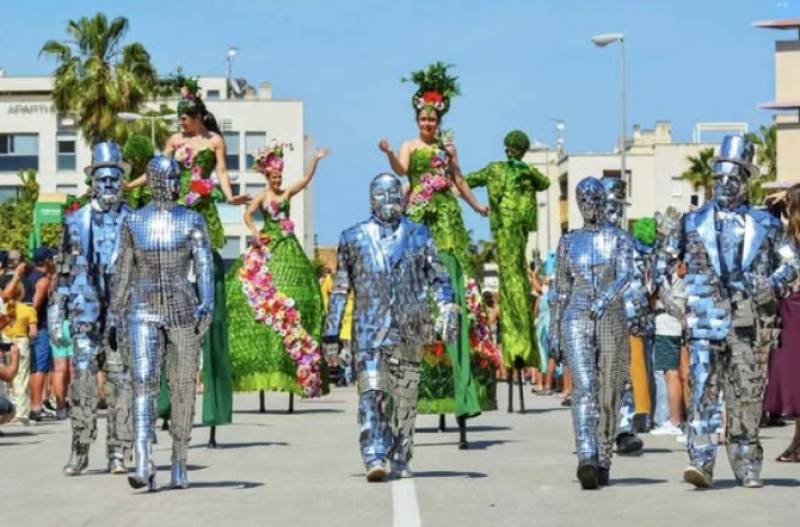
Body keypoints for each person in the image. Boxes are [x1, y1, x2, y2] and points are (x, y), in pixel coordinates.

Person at [656, 135, 800, 489]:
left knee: (748, 395)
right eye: (719, 179)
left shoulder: (765, 223)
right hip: (705, 320)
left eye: (731, 179)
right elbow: (661, 262)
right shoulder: (691, 223)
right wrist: (674, 301)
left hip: (750, 322)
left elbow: (792, 260)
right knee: (703, 389)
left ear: (745, 181)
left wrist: (772, 284)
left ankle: (747, 461)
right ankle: (701, 461)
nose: (723, 185)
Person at [379, 62, 497, 448]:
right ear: (416, 120)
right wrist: (387, 155)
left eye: (432, 118)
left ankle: (461, 395)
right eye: (423, 119)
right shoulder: (411, 147)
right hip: (418, 217)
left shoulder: (446, 147)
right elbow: (400, 171)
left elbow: (458, 179)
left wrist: (477, 206)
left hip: (447, 221)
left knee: (453, 291)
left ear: (439, 119)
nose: (428, 123)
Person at [323, 173, 458, 481]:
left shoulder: (419, 234)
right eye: (381, 195)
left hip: (410, 328)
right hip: (368, 331)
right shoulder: (352, 237)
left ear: (402, 197)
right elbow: (341, 288)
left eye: (394, 194)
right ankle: (374, 453)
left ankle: (401, 452)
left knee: (406, 400)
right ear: (371, 199)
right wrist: (331, 333)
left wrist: (448, 306)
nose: (388, 201)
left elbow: (439, 277)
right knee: (372, 392)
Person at [109, 155, 214, 491]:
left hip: (182, 309)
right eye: (167, 179)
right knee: (143, 381)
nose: (173, 184)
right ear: (153, 182)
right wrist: (114, 312)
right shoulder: (133, 222)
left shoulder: (192, 219)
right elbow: (123, 272)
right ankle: (142, 458)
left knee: (183, 388)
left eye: (176, 178)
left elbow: (205, 265)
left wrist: (207, 301)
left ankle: (180, 458)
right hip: (142, 308)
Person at [49, 142, 134, 476]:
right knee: (82, 383)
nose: (109, 185)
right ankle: (80, 449)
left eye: (114, 179)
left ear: (123, 181)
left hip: (122, 315)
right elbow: (64, 269)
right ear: (92, 182)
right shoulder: (74, 222)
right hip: (85, 312)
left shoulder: (134, 220)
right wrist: (57, 311)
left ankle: (118, 452)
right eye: (103, 179)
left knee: (120, 384)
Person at [225, 144, 328, 401]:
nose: (278, 179)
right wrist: (256, 234)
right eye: (274, 176)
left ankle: (299, 361)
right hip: (271, 245)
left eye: (280, 176)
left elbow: (304, 180)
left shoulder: (286, 194)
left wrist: (314, 160)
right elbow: (247, 215)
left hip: (288, 244)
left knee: (298, 291)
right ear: (267, 176)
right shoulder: (262, 197)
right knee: (249, 290)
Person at [550, 177, 635, 489]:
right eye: (582, 199)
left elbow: (627, 273)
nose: (588, 204)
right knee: (585, 385)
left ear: (602, 200)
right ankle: (586, 454)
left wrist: (606, 297)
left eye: (593, 198)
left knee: (609, 391)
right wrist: (555, 330)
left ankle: (604, 456)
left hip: (611, 317)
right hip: (577, 314)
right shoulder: (568, 242)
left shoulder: (618, 239)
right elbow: (559, 289)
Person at [464, 130, 551, 411]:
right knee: (512, 277)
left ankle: (518, 344)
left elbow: (466, 180)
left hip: (510, 230)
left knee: (513, 277)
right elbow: (545, 180)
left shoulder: (503, 169)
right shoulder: (508, 170)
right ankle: (517, 342)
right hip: (509, 231)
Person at [764, 184, 800, 462]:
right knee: (792, 376)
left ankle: (798, 443)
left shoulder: (792, 238)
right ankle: (797, 441)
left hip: (795, 307)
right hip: (791, 308)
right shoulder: (789, 236)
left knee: (794, 375)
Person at [25, 247, 55, 422]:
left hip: (32, 327)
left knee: (34, 367)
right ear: (46, 261)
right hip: (40, 328)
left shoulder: (30, 277)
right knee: (40, 368)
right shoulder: (42, 281)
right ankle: (36, 406)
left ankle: (35, 404)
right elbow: (33, 305)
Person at [1, 283, 36, 425]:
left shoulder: (5, 309)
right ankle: (21, 413)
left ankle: (9, 405)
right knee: (21, 378)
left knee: (7, 382)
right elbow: (33, 331)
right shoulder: (28, 310)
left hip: (5, 341)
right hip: (21, 342)